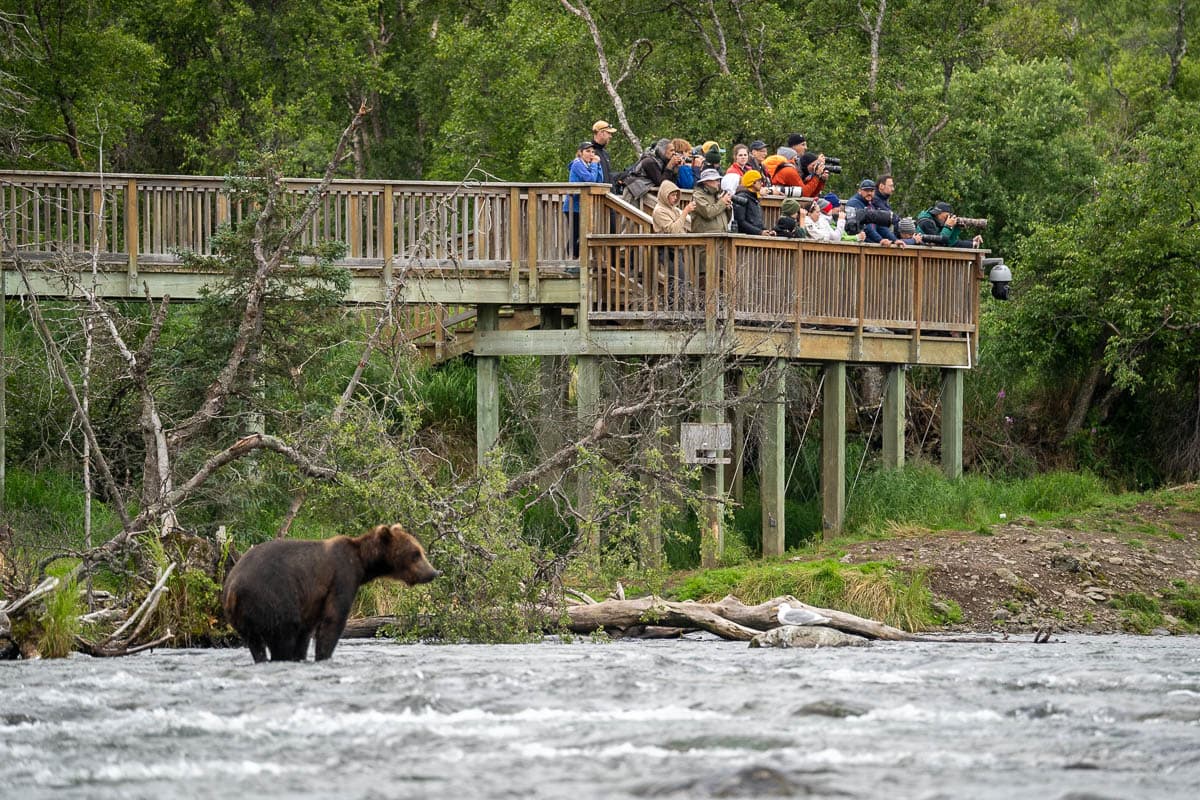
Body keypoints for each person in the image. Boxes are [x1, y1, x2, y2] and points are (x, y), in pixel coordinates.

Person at [565, 141, 603, 257]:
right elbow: (590, 179)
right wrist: (595, 165)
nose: (591, 154)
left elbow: (599, 180)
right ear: (580, 153)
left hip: (584, 206)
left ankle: (577, 260)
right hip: (574, 206)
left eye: (592, 152)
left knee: (583, 234)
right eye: (587, 151)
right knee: (576, 234)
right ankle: (572, 261)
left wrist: (598, 165)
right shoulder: (577, 164)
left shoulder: (588, 165)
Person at [622, 137, 674, 208]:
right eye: (671, 150)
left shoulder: (662, 162)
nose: (674, 153)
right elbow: (660, 182)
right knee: (630, 216)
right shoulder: (649, 161)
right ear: (663, 151)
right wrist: (670, 166)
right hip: (632, 192)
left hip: (640, 194)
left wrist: (676, 168)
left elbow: (669, 181)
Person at [846, 179, 900, 247]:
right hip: (856, 246)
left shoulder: (871, 204)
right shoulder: (854, 203)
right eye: (866, 190)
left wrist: (895, 240)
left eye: (871, 191)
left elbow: (880, 226)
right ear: (859, 191)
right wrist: (880, 240)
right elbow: (866, 227)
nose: (869, 193)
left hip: (869, 245)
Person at [916, 201, 984, 248]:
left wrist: (971, 242)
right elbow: (941, 242)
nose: (948, 218)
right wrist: (948, 226)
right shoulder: (926, 222)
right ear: (938, 213)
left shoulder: (936, 222)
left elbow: (950, 243)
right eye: (946, 216)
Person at [731, 170, 774, 236]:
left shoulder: (754, 197)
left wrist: (766, 231)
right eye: (759, 181)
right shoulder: (741, 197)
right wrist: (759, 232)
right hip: (745, 240)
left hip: (754, 237)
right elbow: (740, 222)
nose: (762, 183)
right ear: (752, 182)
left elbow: (757, 221)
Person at [690, 167, 733, 233]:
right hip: (705, 240)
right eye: (716, 180)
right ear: (706, 181)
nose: (718, 183)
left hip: (721, 237)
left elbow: (727, 220)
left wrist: (728, 208)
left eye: (719, 180)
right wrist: (722, 202)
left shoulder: (718, 195)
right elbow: (708, 213)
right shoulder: (698, 196)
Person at [590, 120, 618, 188]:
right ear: (601, 133)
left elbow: (608, 176)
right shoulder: (589, 152)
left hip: (608, 195)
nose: (610, 136)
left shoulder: (605, 153)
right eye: (608, 133)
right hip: (596, 196)